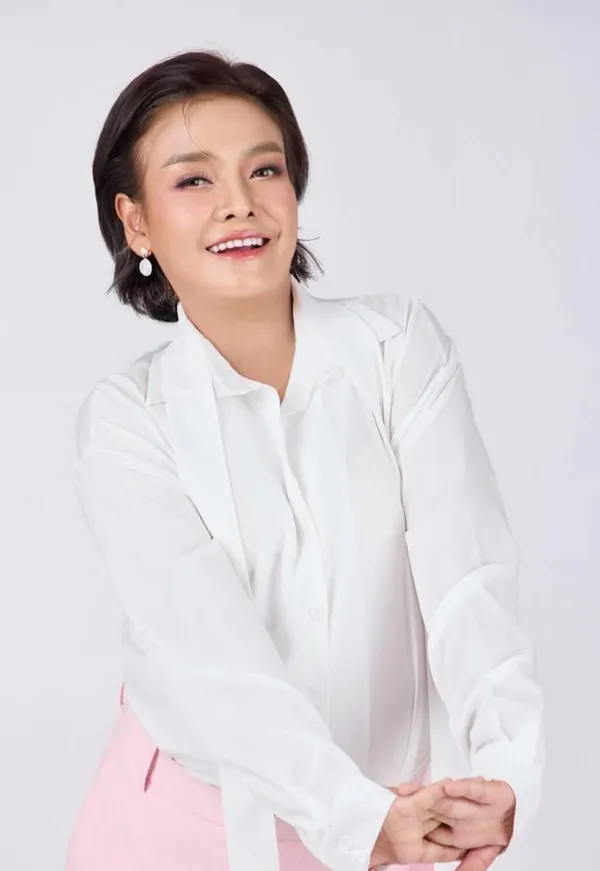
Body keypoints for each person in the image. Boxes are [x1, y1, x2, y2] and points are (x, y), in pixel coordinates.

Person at [66, 50, 544, 871]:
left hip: (398, 824)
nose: (240, 203)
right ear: (135, 222)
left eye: (265, 169)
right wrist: (354, 818)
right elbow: (213, 659)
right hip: (176, 830)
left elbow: (467, 580)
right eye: (194, 180)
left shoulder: (397, 349)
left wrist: (506, 772)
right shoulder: (126, 422)